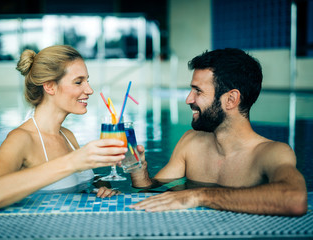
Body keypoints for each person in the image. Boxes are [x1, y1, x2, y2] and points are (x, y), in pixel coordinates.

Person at [129, 48, 308, 216]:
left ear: (231, 99)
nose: (188, 99)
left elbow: (295, 199)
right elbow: (151, 191)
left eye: (198, 91)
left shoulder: (271, 153)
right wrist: (139, 171)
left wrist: (200, 196)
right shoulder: (191, 142)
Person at [0, 45, 127, 213]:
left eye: (87, 80)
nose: (89, 90)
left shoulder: (67, 135)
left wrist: (102, 187)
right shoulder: (20, 139)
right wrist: (72, 161)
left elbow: (87, 178)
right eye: (78, 82)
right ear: (49, 87)